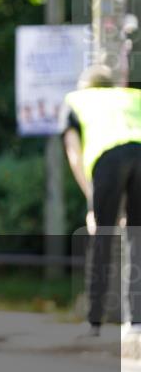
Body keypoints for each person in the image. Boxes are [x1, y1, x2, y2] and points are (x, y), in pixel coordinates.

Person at [61, 64, 141, 336]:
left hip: (108, 158)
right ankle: (137, 321)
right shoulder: (133, 96)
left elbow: (73, 151)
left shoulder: (76, 100)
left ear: (86, 85)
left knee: (102, 234)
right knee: (136, 235)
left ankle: (95, 321)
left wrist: (91, 200)